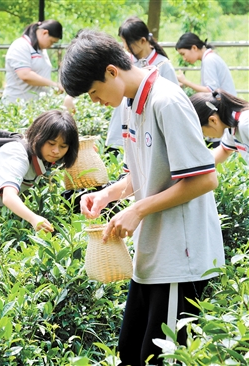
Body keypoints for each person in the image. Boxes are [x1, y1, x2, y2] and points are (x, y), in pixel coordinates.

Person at [60, 29, 224, 365]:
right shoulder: (131, 104)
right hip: (153, 255)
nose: (95, 101)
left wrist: (137, 210)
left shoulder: (167, 100)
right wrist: (109, 194)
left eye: (93, 92)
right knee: (131, 354)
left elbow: (205, 178)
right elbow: (145, 170)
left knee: (159, 358)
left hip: (181, 259)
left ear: (111, 71)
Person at [0, 110, 79, 233]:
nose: (56, 151)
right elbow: (8, 196)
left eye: (63, 146)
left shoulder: (43, 155)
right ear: (40, 138)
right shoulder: (17, 155)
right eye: (51, 143)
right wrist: (33, 218)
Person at [106, 16, 179, 149]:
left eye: (128, 42)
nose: (125, 47)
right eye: (123, 42)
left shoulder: (163, 65)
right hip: (121, 129)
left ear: (142, 40)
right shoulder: (124, 62)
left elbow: (172, 104)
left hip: (146, 135)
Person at [3, 20, 64, 102]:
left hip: (35, 105)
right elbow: (25, 75)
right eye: (51, 41)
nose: (51, 45)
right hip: (18, 105)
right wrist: (53, 84)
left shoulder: (41, 50)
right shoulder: (21, 46)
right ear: (44, 33)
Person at [190, 89, 249, 165]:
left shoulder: (245, 124)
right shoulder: (232, 127)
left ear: (213, 120)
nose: (205, 137)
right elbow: (224, 151)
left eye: (202, 132)